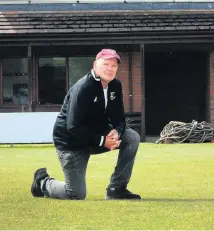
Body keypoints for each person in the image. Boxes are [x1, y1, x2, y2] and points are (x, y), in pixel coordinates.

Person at [30, 49, 141, 200]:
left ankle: (117, 189)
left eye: (114, 66)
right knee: (75, 194)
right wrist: (103, 141)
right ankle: (42, 182)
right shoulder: (83, 88)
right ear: (95, 65)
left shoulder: (115, 86)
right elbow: (73, 126)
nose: (110, 69)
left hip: (96, 136)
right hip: (71, 142)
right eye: (106, 64)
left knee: (132, 137)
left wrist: (117, 130)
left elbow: (119, 117)